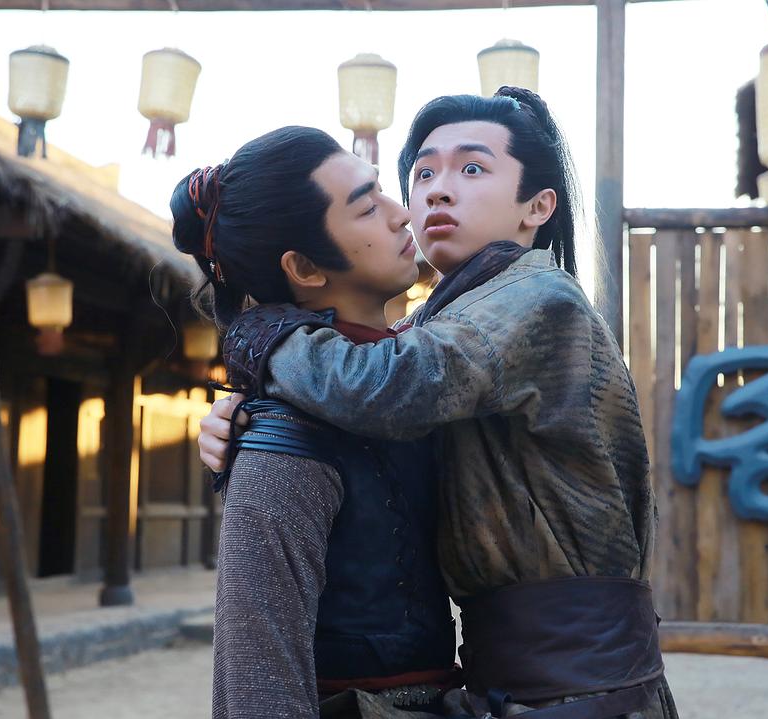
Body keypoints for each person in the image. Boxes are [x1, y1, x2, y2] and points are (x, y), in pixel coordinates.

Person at [203, 87, 679, 719]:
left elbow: (387, 384)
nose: (432, 194)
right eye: (423, 173)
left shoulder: (539, 298)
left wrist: (265, 338)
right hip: (511, 684)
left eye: (472, 168)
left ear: (538, 207)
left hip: (582, 689)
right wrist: (243, 415)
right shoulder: (444, 323)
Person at [172, 126, 458, 719]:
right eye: (366, 207)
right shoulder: (284, 443)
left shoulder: (419, 377)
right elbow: (259, 690)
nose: (403, 213)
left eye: (382, 191)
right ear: (304, 267)